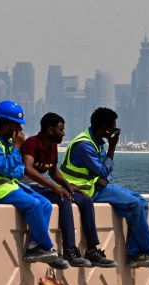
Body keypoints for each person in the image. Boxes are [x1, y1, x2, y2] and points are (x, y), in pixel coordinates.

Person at [61, 107, 149, 274]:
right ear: (106, 129)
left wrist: (105, 176)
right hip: (86, 191)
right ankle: (148, 252)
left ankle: (135, 253)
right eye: (114, 127)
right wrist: (112, 147)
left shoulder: (97, 142)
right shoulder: (84, 145)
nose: (116, 131)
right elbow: (105, 169)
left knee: (142, 201)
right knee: (134, 204)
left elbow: (107, 172)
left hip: (97, 185)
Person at [0, 101, 67, 268]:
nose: (20, 131)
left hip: (10, 187)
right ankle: (47, 247)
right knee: (34, 204)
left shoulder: (7, 145)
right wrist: (16, 148)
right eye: (18, 126)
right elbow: (7, 169)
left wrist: (13, 155)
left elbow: (19, 171)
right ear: (7, 126)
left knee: (45, 204)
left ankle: (33, 247)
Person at [21, 112, 116, 268]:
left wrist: (67, 185)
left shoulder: (52, 146)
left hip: (41, 186)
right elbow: (28, 169)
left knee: (84, 200)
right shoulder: (32, 143)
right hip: (27, 186)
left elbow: (53, 172)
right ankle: (69, 250)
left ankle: (92, 250)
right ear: (50, 130)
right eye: (61, 130)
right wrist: (55, 188)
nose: (64, 133)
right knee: (63, 200)